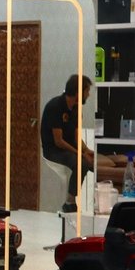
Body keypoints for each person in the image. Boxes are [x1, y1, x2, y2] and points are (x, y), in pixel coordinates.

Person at [39, 74, 92, 213]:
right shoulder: (55, 106)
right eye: (87, 91)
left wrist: (86, 150)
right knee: (81, 163)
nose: (88, 95)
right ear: (78, 92)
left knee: (92, 162)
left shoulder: (76, 109)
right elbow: (59, 141)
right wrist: (80, 154)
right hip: (54, 151)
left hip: (68, 149)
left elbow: (76, 136)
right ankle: (69, 201)